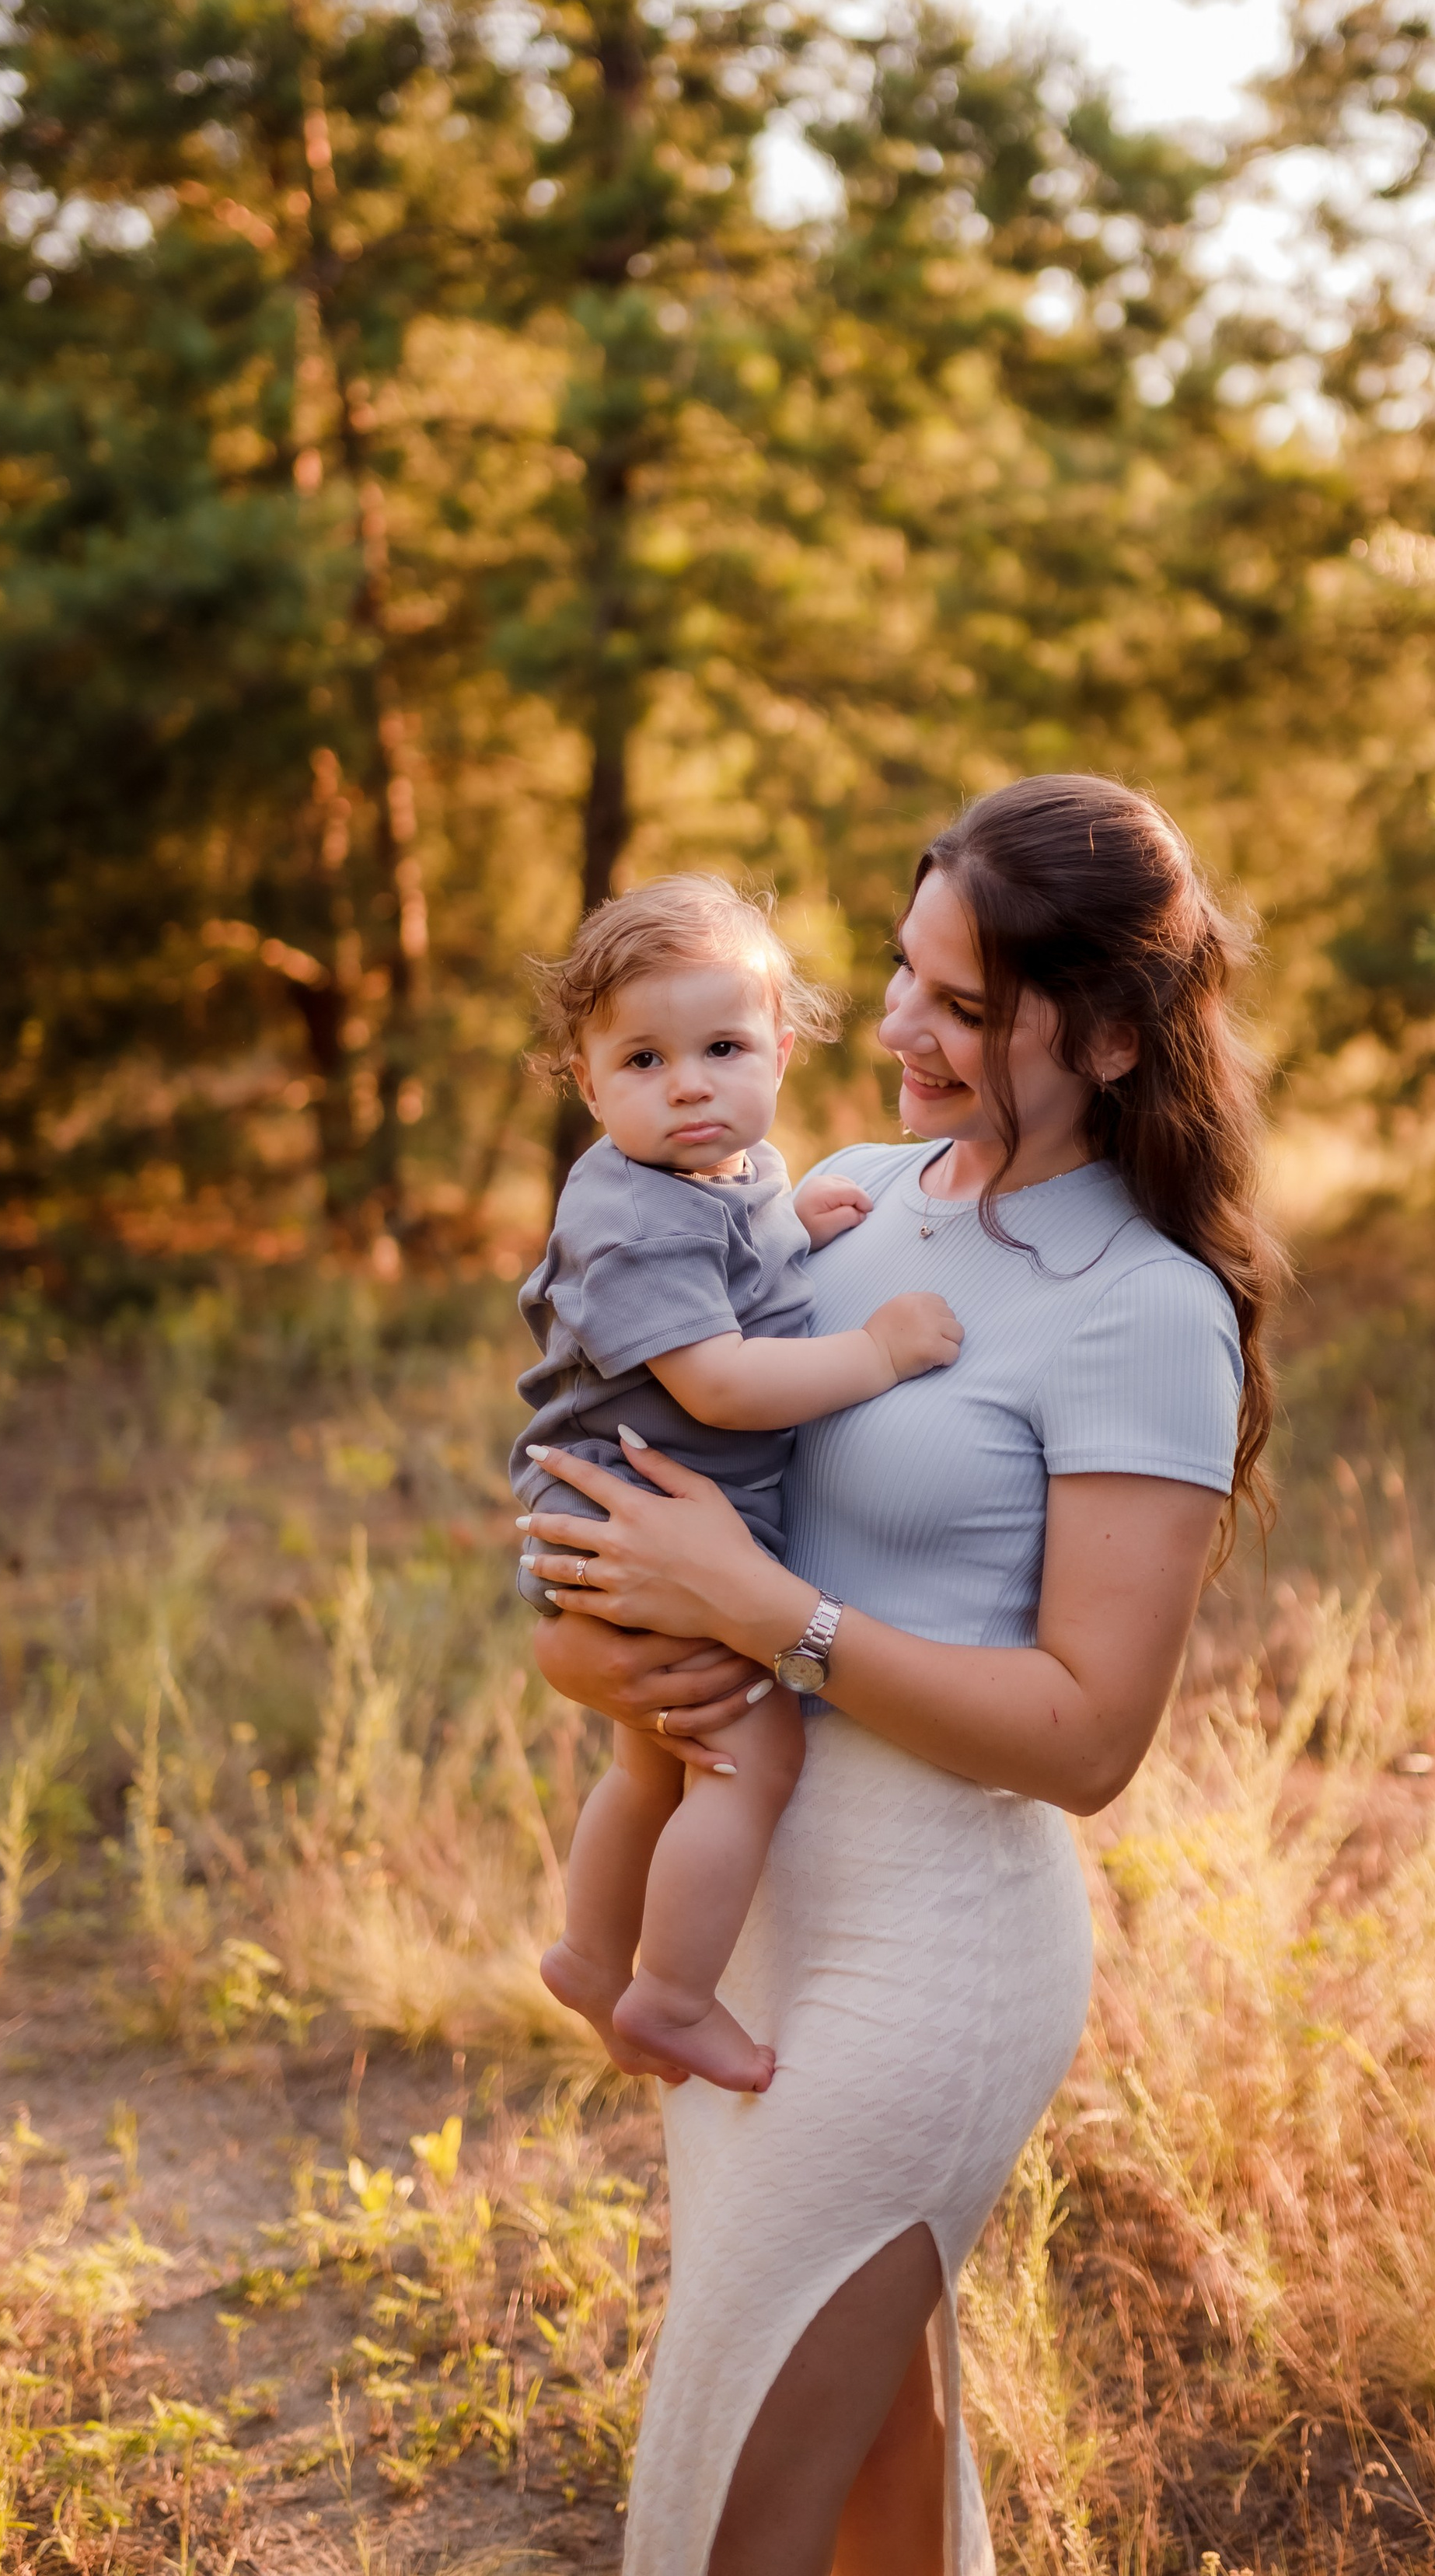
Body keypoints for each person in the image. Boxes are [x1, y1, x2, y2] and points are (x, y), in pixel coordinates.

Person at [519, 777, 1281, 2576]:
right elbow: (626, 1470)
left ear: (1107, 1037)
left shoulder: (1143, 1307)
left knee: (731, 2496)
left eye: (959, 1007)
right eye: (895, 974)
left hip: (926, 1960)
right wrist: (605, 1645)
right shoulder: (832, 1198)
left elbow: (1086, 1740)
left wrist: (767, 1615)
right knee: (876, 2463)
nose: (892, 1031)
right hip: (748, 1918)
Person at [513, 875, 962, 2093]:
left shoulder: (725, 1174)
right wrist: (876, 1354)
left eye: (723, 1049)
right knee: (749, 1757)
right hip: (638, 1523)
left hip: (630, 1519)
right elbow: (714, 1380)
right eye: (643, 1061)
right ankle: (668, 1996)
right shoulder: (633, 1214)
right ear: (589, 1085)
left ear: (782, 1052)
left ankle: (590, 1957)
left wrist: (790, 1226)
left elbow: (732, 1267)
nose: (689, 1085)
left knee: (649, 1765)